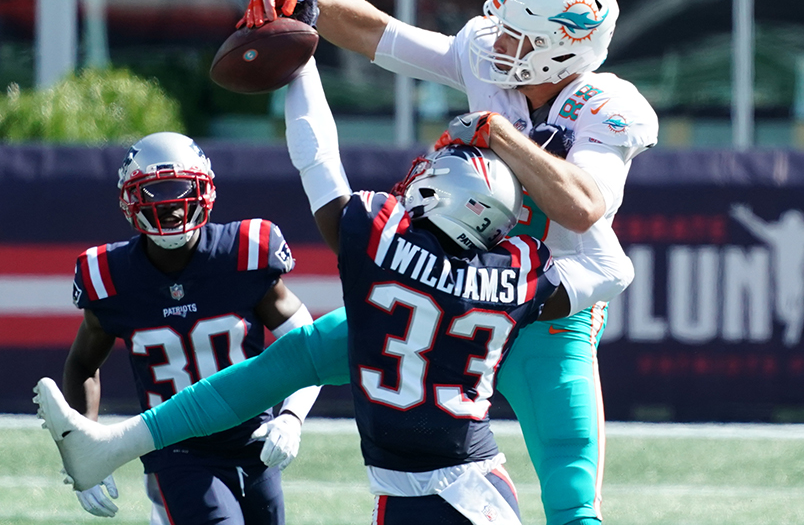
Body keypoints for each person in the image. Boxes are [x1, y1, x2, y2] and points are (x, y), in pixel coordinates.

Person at [35, 59, 563, 525]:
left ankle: (108, 448)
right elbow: (608, 270)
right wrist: (543, 169)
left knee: (287, 361)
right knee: (572, 471)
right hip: (463, 472)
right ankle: (107, 447)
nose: (418, 176)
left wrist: (302, 63)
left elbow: (319, 164)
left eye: (434, 174)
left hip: (414, 473)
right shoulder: (518, 273)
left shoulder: (379, 243)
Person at [238, 0, 659, 524]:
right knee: (286, 362)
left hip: (548, 311)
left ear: (562, 50)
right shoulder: (491, 55)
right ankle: (124, 441)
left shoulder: (606, 107)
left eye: (518, 34)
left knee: (572, 497)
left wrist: (501, 135)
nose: (498, 40)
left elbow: (582, 207)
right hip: (453, 288)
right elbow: (380, 36)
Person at [60, 131, 321, 524]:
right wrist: (85, 444)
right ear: (131, 201)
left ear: (205, 190)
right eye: (154, 193)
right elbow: (82, 365)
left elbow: (308, 346)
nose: (170, 205)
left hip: (252, 437)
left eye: (181, 189)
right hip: (174, 442)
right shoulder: (112, 276)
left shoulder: (245, 253)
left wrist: (291, 416)